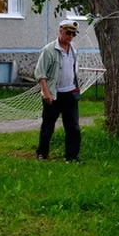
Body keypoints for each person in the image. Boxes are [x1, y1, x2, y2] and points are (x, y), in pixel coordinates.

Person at [34, 20, 82, 162]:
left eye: (73, 34)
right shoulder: (49, 50)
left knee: (73, 126)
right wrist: (46, 93)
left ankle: (71, 156)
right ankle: (42, 153)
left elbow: (74, 70)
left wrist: (76, 89)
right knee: (48, 126)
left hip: (70, 93)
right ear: (60, 31)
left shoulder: (74, 49)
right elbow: (40, 74)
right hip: (53, 94)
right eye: (68, 33)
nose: (70, 36)